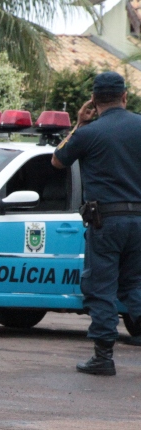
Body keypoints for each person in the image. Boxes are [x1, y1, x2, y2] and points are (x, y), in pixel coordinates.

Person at [52, 71, 141, 376]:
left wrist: (79, 124)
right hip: (139, 221)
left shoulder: (88, 133)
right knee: (135, 285)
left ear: (93, 100)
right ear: (124, 97)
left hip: (106, 222)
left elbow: (58, 160)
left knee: (101, 288)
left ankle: (103, 358)